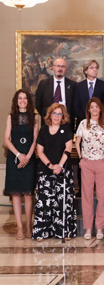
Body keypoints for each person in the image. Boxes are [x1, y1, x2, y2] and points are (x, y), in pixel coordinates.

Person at [33, 104, 77, 241]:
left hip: (63, 171)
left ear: (63, 117)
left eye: (60, 114)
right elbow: (39, 151)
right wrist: (51, 166)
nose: (57, 117)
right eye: (55, 113)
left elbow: (68, 148)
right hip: (46, 171)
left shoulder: (66, 129)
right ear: (50, 115)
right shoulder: (44, 130)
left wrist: (59, 166)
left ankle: (64, 231)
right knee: (45, 202)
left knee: (63, 202)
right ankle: (42, 231)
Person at [75, 97, 104, 240]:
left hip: (102, 163)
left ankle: (99, 228)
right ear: (89, 109)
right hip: (87, 163)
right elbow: (77, 142)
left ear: (100, 109)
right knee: (87, 196)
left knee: (102, 196)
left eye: (97, 107)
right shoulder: (83, 124)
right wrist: (81, 159)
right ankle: (88, 228)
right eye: (92, 107)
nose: (95, 109)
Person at [4, 89, 39, 240]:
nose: (23, 100)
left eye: (25, 98)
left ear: (28, 101)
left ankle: (28, 226)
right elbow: (6, 139)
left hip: (30, 158)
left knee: (29, 194)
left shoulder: (35, 117)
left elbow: (36, 139)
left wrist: (28, 157)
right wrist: (19, 155)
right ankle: (19, 227)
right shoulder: (11, 117)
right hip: (14, 158)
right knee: (16, 194)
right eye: (20, 98)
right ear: (16, 101)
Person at [35, 58, 76, 130]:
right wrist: (49, 116)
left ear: (65, 68)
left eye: (63, 66)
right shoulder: (43, 84)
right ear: (53, 67)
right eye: (58, 66)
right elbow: (38, 104)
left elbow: (76, 105)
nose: (60, 69)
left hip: (67, 124)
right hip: (48, 124)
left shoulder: (73, 85)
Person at [74, 60, 104, 129]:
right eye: (92, 68)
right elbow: (76, 106)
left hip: (100, 122)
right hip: (83, 122)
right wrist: (86, 118)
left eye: (96, 68)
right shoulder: (78, 86)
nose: (95, 70)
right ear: (85, 71)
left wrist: (97, 117)